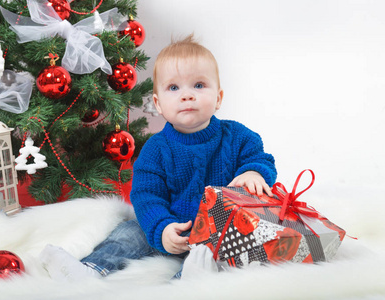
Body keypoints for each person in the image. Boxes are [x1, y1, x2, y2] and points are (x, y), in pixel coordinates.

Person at [39, 34, 277, 281]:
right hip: (172, 228)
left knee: (228, 250)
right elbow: (146, 195)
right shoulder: (155, 149)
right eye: (174, 88)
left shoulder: (237, 136)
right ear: (158, 103)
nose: (187, 95)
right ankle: (89, 269)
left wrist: (254, 172)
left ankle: (189, 279)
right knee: (129, 232)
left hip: (220, 229)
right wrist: (162, 229)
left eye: (199, 85)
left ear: (218, 98)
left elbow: (260, 158)